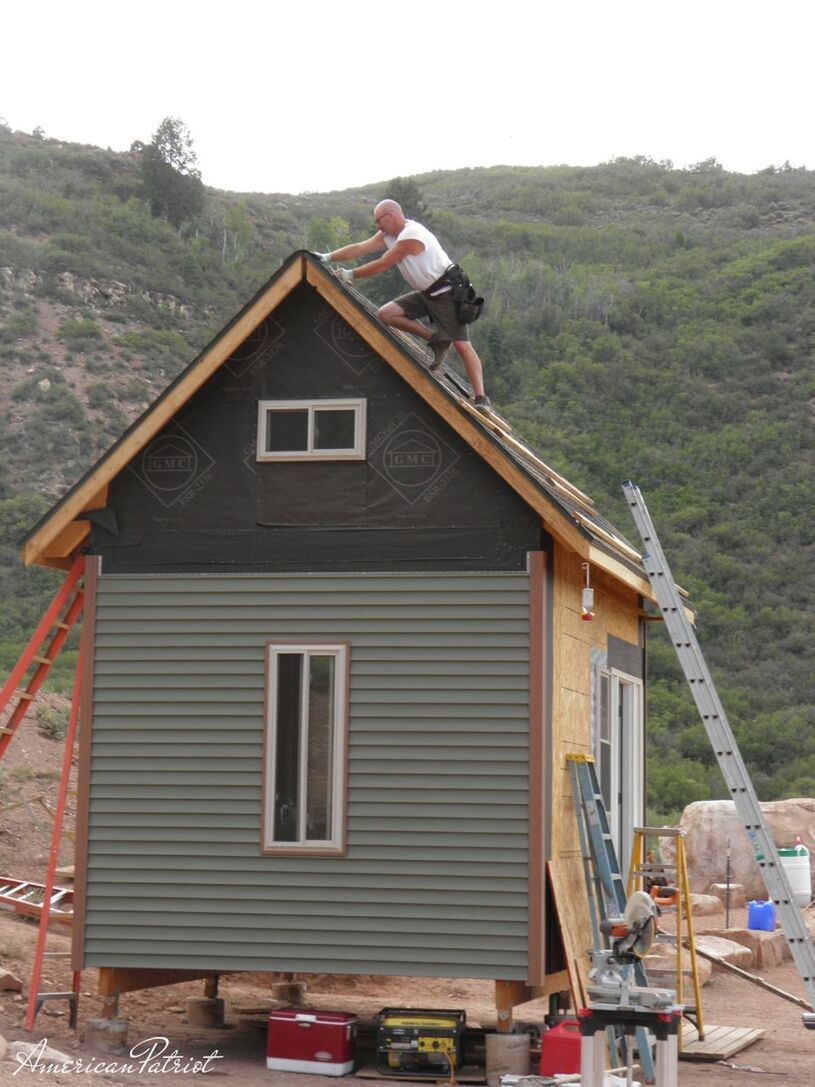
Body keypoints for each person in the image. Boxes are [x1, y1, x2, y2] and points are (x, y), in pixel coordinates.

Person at [318, 200, 491, 410]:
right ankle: (436, 340)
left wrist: (350, 274)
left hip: (446, 292)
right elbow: (360, 248)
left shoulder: (412, 235)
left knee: (462, 345)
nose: (377, 227)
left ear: (391, 215)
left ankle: (482, 398)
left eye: (379, 221)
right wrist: (328, 257)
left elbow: (383, 264)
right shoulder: (388, 235)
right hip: (426, 293)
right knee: (386, 314)